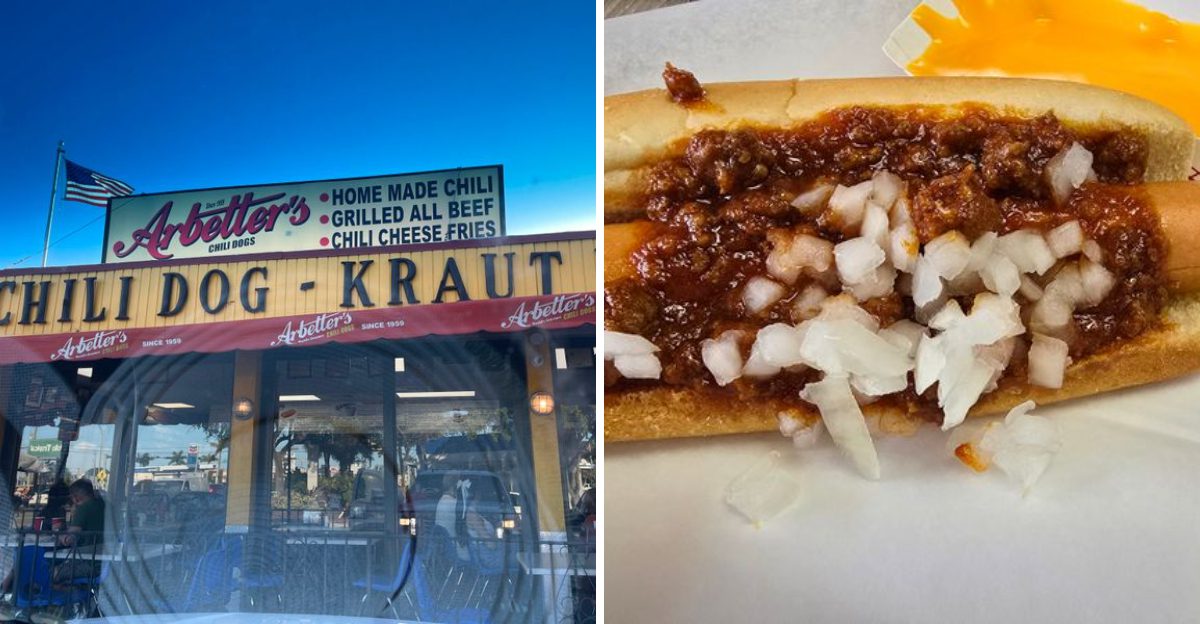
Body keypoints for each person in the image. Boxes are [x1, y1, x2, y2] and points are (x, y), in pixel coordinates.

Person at [50, 479, 105, 584]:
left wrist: (59, 535)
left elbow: (69, 539)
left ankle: (64, 594)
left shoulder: (84, 509)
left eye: (71, 497)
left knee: (48, 572)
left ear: (76, 496)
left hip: (87, 562)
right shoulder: (104, 505)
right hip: (106, 563)